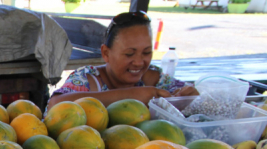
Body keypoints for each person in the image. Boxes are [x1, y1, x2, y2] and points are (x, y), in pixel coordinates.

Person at [48, 11, 198, 108]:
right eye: (129, 54)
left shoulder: (156, 80)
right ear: (106, 53)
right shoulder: (87, 79)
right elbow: (55, 105)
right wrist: (131, 96)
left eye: (146, 53)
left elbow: (194, 98)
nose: (139, 62)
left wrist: (187, 97)